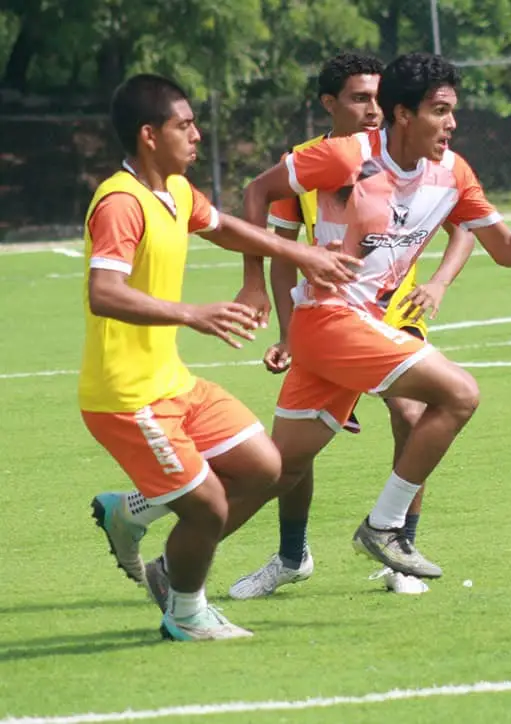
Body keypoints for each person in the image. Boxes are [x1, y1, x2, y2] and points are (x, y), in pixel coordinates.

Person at [239, 52, 511, 582]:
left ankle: (150, 520)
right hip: (329, 320)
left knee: (281, 465)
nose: (453, 123)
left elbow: (504, 247)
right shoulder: (340, 157)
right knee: (458, 393)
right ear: (404, 115)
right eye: (441, 110)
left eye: (452, 110)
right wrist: (254, 284)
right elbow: (260, 194)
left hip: (373, 320)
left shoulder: (453, 172)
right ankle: (379, 529)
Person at [84, 73, 360, 641]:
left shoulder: (176, 191)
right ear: (148, 135)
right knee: (207, 508)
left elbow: (227, 227)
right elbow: (103, 293)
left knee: (266, 468)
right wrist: (193, 313)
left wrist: (298, 252)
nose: (197, 135)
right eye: (184, 125)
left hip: (172, 383)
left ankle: (131, 513)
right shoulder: (120, 202)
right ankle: (185, 613)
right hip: (127, 396)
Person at [229, 52, 477, 599]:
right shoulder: (308, 163)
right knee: (292, 456)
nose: (372, 109)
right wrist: (290, 333)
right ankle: (292, 556)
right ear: (329, 104)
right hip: (328, 314)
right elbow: (282, 248)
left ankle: (398, 551)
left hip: (391, 311)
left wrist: (436, 284)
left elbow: (467, 224)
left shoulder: (417, 156)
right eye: (359, 98)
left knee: (415, 415)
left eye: (378, 98)